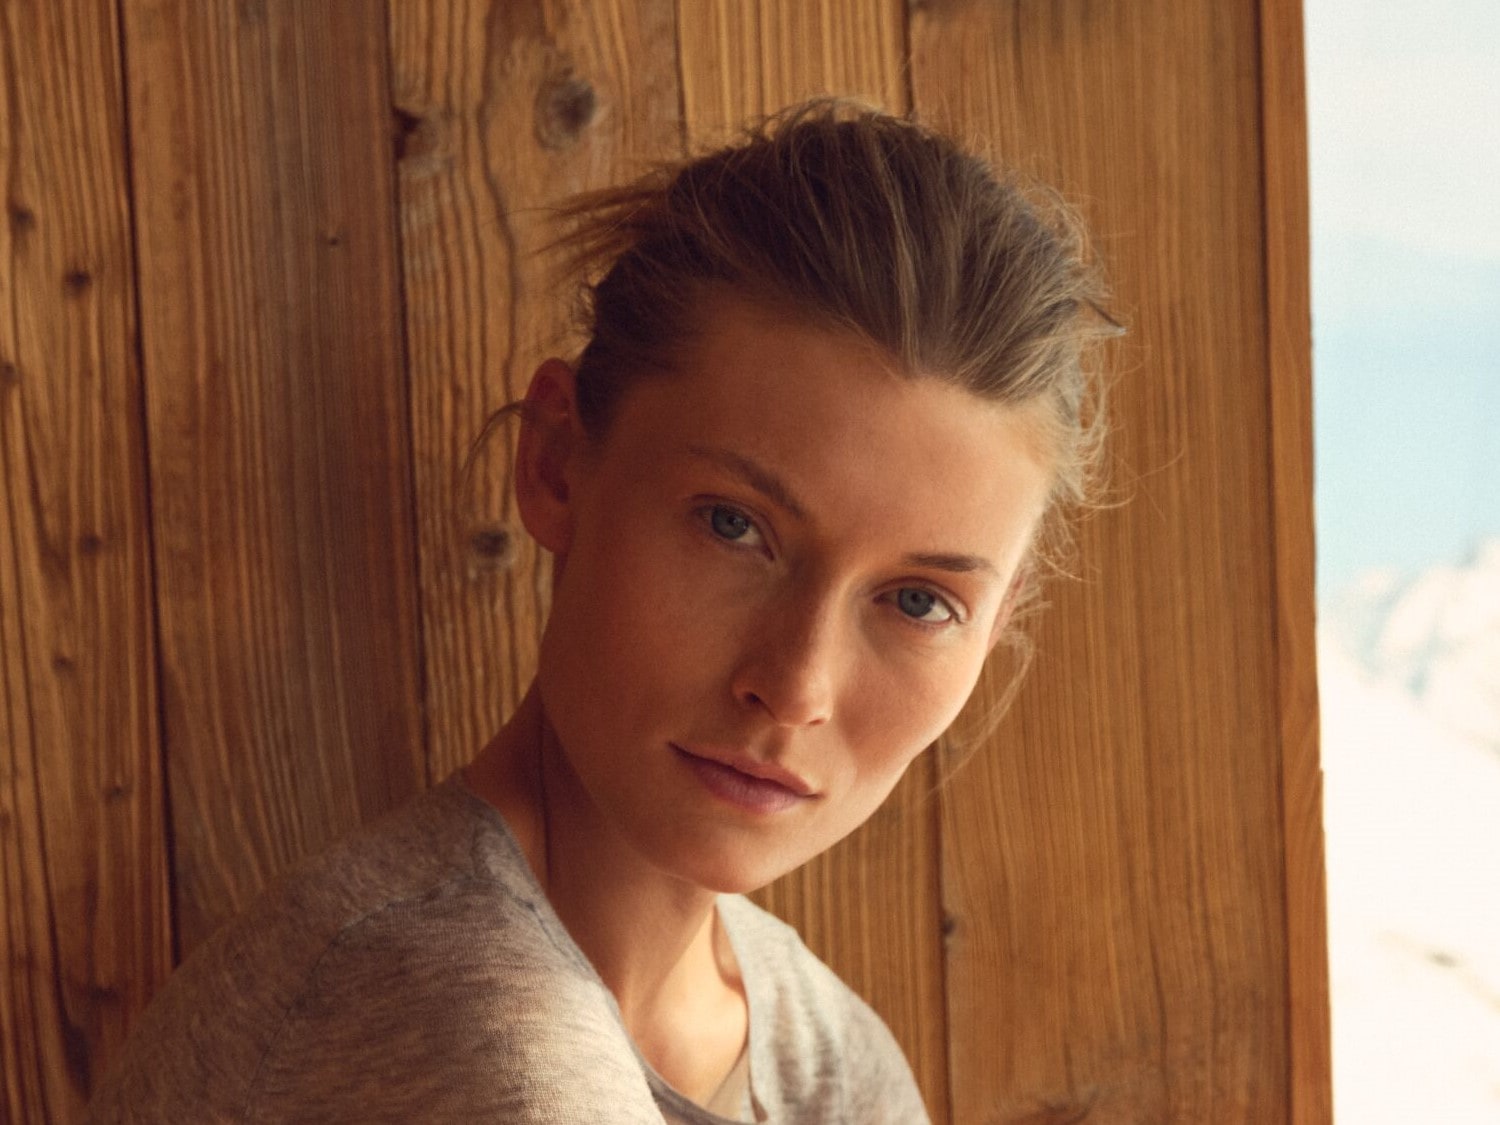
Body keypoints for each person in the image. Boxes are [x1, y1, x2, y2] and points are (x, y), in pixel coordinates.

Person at [87, 100, 1110, 1123]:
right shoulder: (451, 1031)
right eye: (732, 526)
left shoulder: (831, 1064)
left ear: (1000, 616)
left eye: (921, 601)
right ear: (558, 462)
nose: (795, 685)